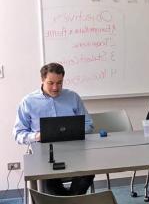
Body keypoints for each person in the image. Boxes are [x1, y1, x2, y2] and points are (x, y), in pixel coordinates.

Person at [13, 62, 95, 196]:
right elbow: (18, 134)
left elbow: (89, 124)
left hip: (74, 151)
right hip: (43, 154)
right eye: (50, 83)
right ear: (42, 80)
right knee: (49, 179)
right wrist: (36, 136)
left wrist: (75, 130)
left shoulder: (73, 97)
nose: (55, 87)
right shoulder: (28, 102)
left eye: (60, 83)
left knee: (88, 171)